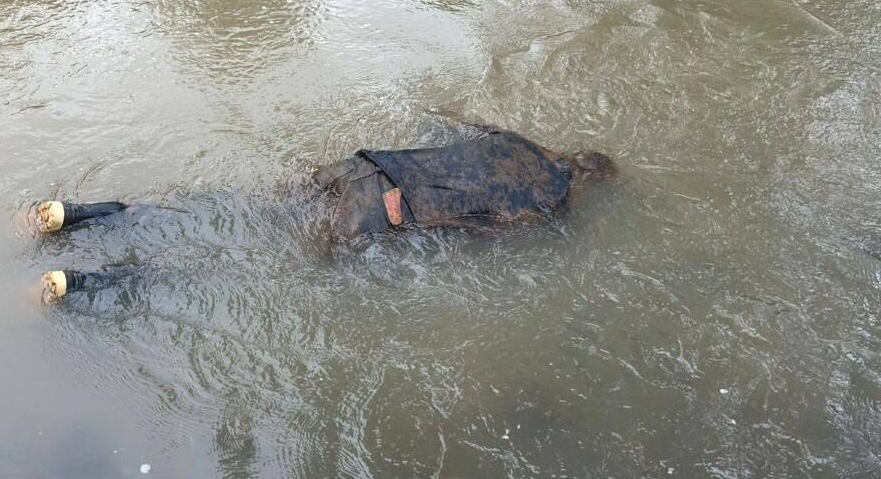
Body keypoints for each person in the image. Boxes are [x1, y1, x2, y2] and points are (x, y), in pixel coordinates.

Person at [35, 125, 615, 299]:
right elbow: (481, 229)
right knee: (237, 263)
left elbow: (452, 134)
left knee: (237, 208)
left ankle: (82, 214)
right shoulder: (552, 203)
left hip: (358, 168)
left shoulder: (516, 143)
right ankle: (83, 283)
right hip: (381, 211)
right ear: (587, 178)